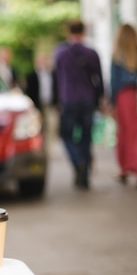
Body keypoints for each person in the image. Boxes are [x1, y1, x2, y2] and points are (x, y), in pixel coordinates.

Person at [54, 20, 104, 190]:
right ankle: (84, 169)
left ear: (68, 31)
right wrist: (100, 99)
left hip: (68, 99)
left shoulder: (61, 53)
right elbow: (98, 79)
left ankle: (78, 162)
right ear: (83, 32)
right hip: (87, 99)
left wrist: (57, 100)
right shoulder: (91, 53)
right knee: (86, 136)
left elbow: (57, 78)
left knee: (66, 135)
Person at [109, 23, 137, 189]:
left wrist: (113, 103)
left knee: (125, 134)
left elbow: (114, 82)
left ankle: (125, 169)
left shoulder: (118, 55)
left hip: (125, 97)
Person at [24, 52, 57, 138]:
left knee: (50, 126)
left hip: (49, 103)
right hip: (37, 104)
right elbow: (28, 91)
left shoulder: (51, 74)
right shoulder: (31, 75)